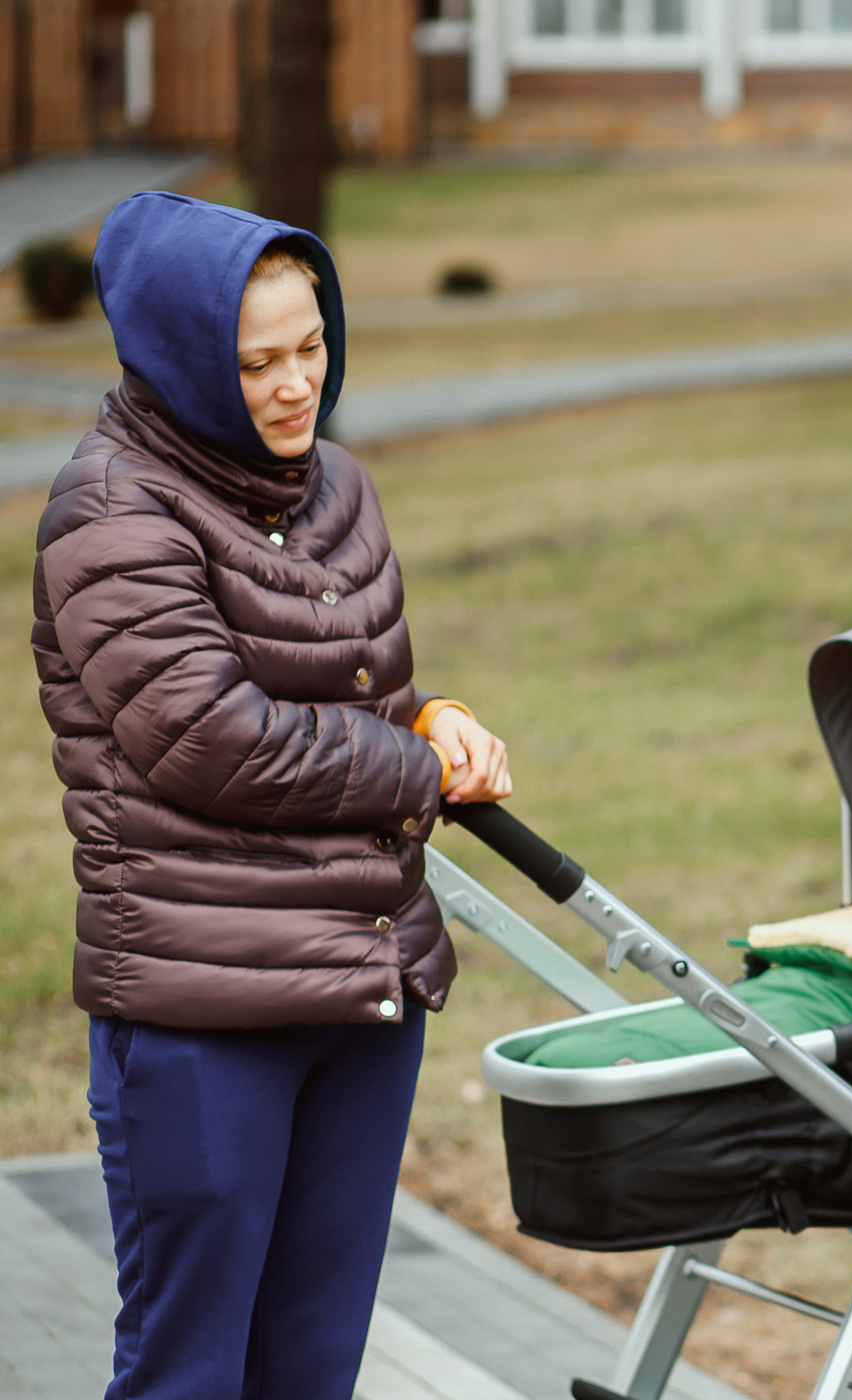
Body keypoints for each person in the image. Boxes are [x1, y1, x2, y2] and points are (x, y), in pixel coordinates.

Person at [31, 192, 513, 1400]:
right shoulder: (108, 512)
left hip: (364, 988)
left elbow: (360, 690)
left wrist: (434, 717)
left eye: (312, 345)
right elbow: (213, 741)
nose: (298, 384)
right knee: (190, 1371)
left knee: (311, 1366)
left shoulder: (334, 488)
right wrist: (418, 770)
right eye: (257, 362)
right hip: (204, 1016)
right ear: (183, 358)